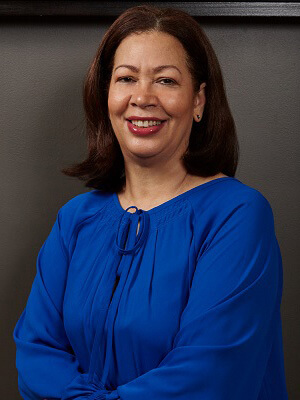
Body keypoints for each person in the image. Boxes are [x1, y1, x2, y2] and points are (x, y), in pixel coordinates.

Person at [13, 5, 288, 400]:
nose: (142, 98)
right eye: (126, 78)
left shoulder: (237, 216)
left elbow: (210, 377)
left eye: (166, 81)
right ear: (106, 95)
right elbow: (37, 354)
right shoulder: (75, 220)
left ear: (198, 100)